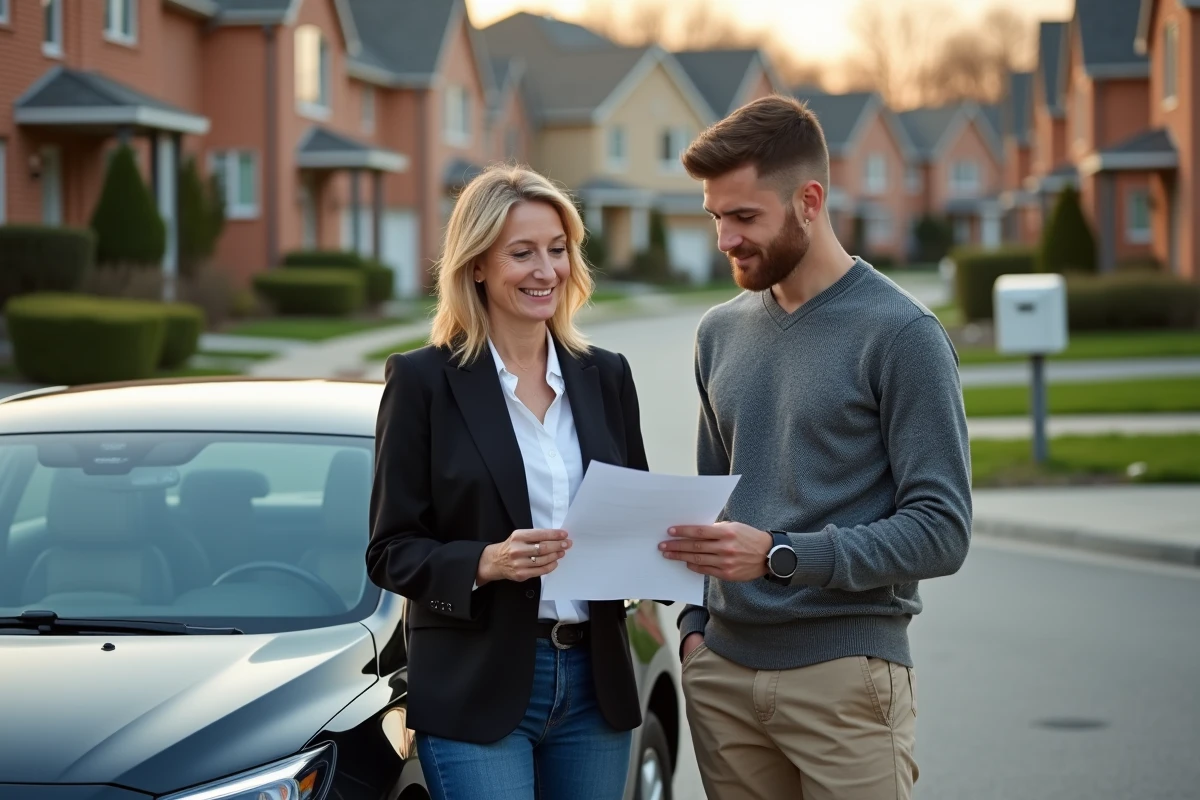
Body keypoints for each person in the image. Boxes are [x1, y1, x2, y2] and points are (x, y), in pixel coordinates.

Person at [658, 94, 973, 799]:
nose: (725, 239)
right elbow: (714, 507)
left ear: (809, 200)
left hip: (845, 680)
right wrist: (694, 629)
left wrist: (778, 554)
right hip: (724, 677)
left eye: (744, 217)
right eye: (715, 217)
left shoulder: (901, 334)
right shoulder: (718, 333)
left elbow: (942, 532)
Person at [367, 165, 647, 800]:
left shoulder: (606, 376)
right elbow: (390, 550)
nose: (545, 270)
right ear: (477, 267)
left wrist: (667, 549)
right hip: (475, 686)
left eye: (557, 250)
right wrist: (486, 563)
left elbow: (633, 518)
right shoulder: (422, 383)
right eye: (522, 253)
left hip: (593, 687)